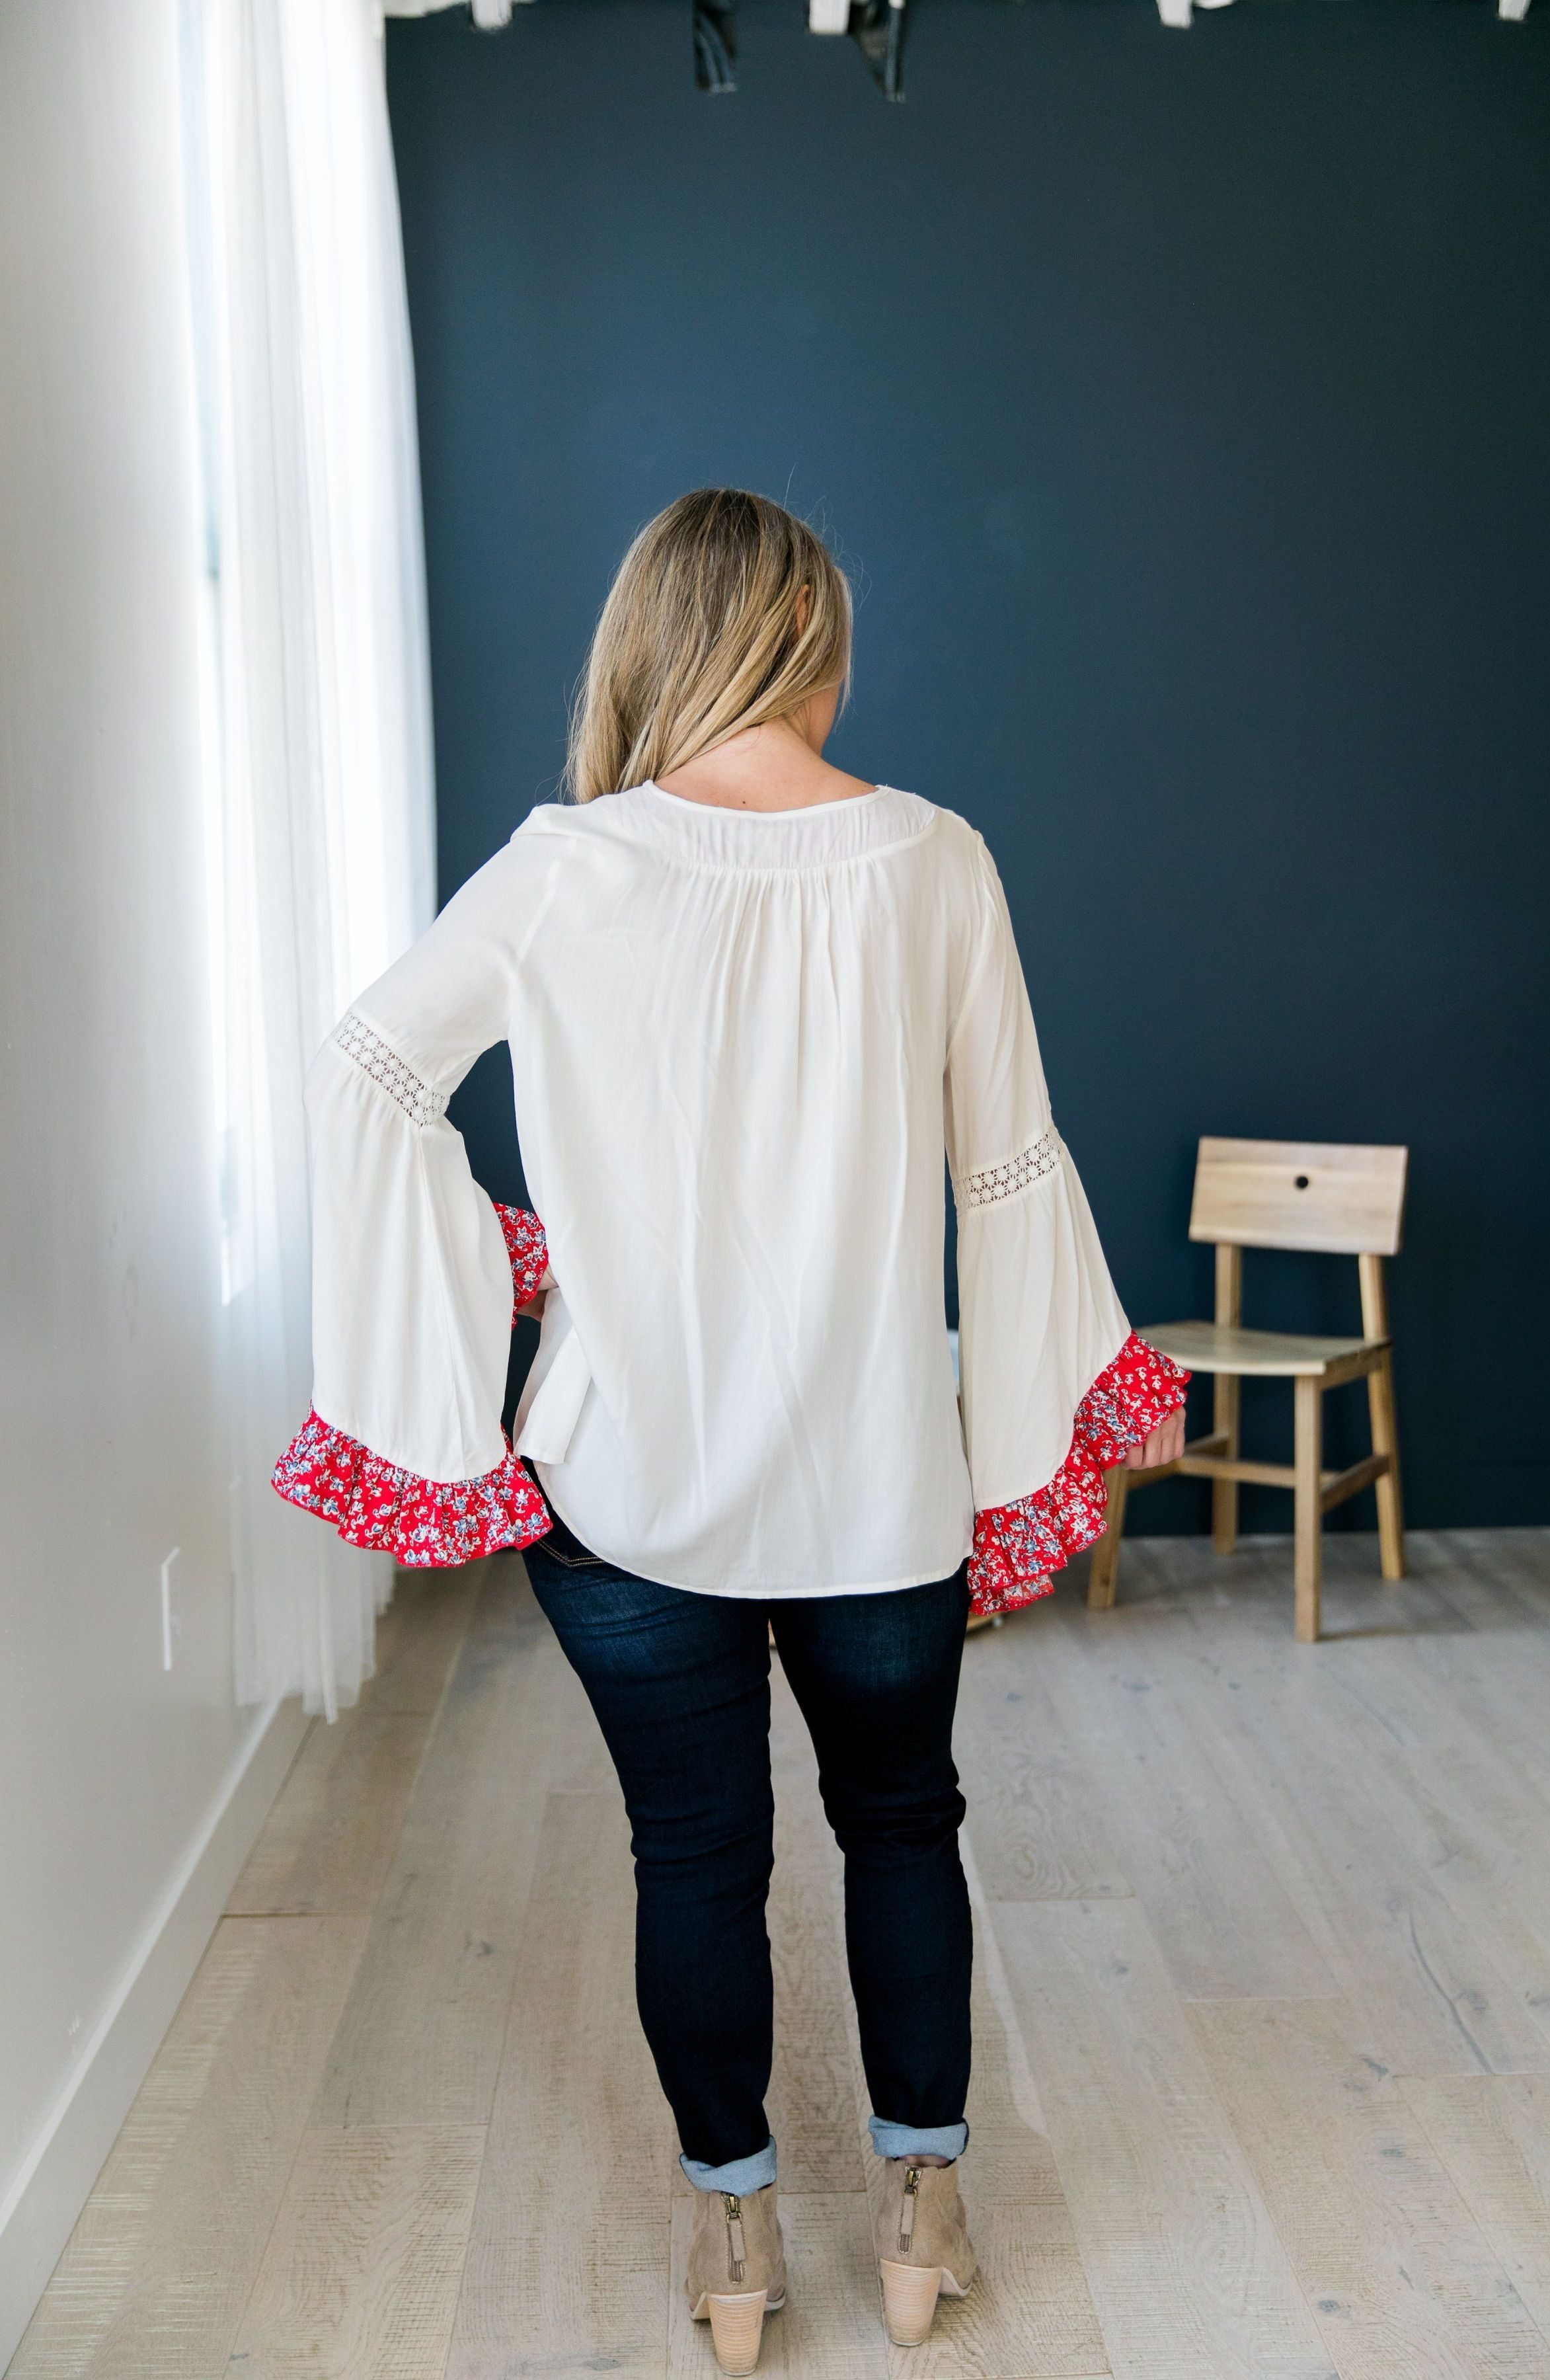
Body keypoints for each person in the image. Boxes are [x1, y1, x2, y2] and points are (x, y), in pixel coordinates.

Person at [273, 488, 1187, 2373]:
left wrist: (503, 1275)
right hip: (876, 1483)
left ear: (652, 642)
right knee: (905, 1822)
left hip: (620, 1486)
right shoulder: (935, 859)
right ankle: (925, 2213)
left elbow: (370, 1075)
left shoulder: (561, 865)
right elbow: (1008, 1173)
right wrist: (1038, 1435)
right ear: (807, 640)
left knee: (693, 1860)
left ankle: (736, 2243)